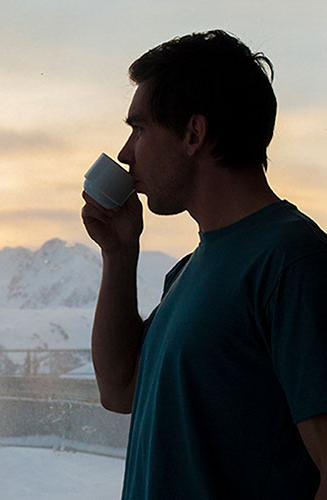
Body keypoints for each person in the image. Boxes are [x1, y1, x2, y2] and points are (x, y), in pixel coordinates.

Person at [81, 30, 327, 499]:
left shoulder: (293, 264)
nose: (126, 153)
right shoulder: (192, 270)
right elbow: (120, 388)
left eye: (138, 128)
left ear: (193, 133)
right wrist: (119, 254)